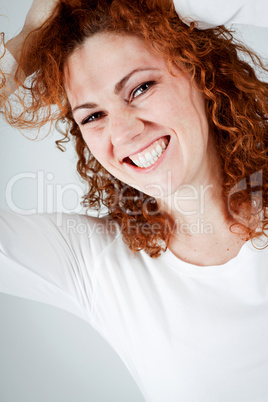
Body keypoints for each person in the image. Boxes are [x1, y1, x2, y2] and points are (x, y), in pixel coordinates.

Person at [0, 0, 268, 401]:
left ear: (200, 71)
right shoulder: (96, 264)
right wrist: (21, 48)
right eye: (92, 116)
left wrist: (174, 7)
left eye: (141, 88)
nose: (124, 132)